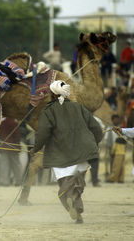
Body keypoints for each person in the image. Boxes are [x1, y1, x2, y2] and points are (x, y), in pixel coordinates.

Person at [29, 80, 103, 224]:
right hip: (83, 151)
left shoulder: (48, 111)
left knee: (65, 182)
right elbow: (97, 129)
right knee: (77, 181)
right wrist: (94, 144)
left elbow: (43, 133)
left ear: (52, 94)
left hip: (60, 153)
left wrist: (35, 148)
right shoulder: (79, 107)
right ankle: (78, 212)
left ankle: (68, 198)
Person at [0, 117, 23, 186]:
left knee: (4, 165)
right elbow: (17, 136)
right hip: (13, 148)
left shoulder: (1, 123)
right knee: (16, 165)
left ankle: (5, 182)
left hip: (3, 147)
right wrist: (18, 145)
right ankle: (18, 181)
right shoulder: (14, 123)